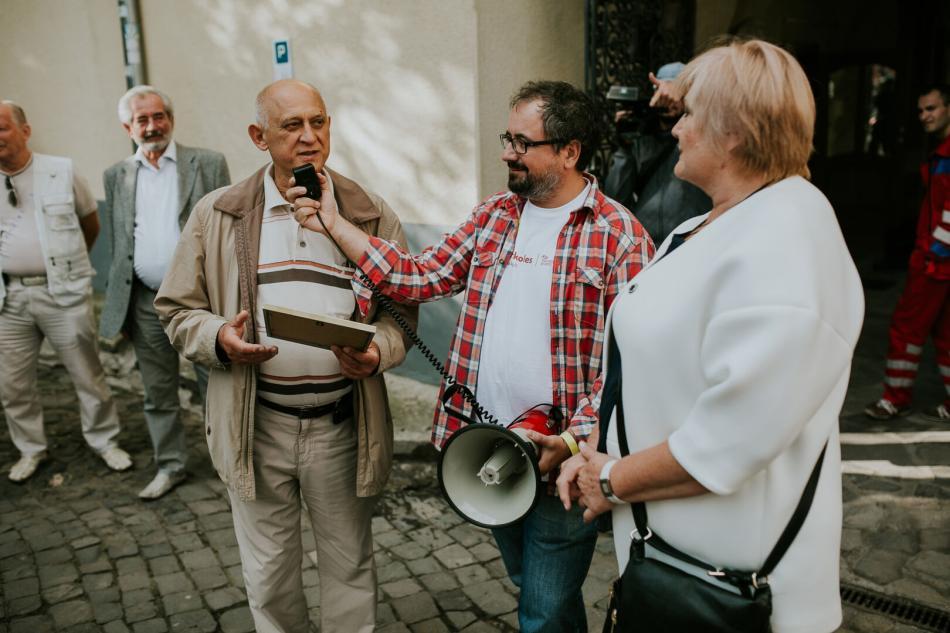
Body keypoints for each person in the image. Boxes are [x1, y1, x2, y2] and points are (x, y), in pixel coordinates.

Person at [292, 80, 652, 633]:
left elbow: (629, 362)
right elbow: (419, 276)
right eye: (506, 138)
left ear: (569, 151)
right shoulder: (493, 217)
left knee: (542, 606)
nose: (507, 152)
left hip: (562, 457)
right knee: (530, 585)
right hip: (483, 446)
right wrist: (334, 224)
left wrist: (575, 441)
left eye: (522, 142)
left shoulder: (620, 236)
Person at [557, 40, 863, 632]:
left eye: (690, 114)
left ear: (735, 134)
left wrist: (610, 479)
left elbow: (728, 440)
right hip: (671, 571)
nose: (677, 129)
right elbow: (651, 371)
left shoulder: (789, 241)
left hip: (737, 596)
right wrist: (588, 447)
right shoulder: (708, 224)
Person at [154, 79, 414, 633]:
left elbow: (401, 314)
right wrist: (220, 337)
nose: (309, 137)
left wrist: (377, 353)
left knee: (349, 566)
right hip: (257, 424)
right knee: (269, 575)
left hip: (342, 426)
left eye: (318, 122)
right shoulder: (217, 214)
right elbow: (177, 309)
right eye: (292, 125)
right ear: (259, 136)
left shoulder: (367, 214)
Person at [101, 85, 231, 499]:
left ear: (171, 119)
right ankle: (170, 465)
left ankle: (230, 465)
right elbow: (121, 242)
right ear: (128, 127)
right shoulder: (117, 175)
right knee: (158, 392)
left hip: (203, 300)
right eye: (143, 119)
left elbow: (230, 230)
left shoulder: (207, 163)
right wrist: (117, 308)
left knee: (218, 387)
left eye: (159, 116)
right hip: (145, 302)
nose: (153, 125)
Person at [0, 100, 132, 482]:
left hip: (63, 293)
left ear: (25, 131)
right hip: (8, 299)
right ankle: (30, 449)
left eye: (2, 127)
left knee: (88, 374)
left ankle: (105, 441)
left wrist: (61, 266)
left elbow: (90, 223)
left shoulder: (61, 171)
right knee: (13, 383)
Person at [865, 84, 950, 421]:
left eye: (931, 109)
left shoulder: (946, 156)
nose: (924, 117)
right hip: (939, 260)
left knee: (906, 327)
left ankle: (894, 399)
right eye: (920, 111)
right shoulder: (941, 153)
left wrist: (931, 253)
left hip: (936, 263)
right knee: (945, 334)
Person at [603, 62, 710, 247]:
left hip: (690, 241)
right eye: (661, 90)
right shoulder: (642, 137)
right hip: (646, 245)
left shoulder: (703, 132)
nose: (667, 99)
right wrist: (624, 145)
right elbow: (616, 198)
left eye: (674, 91)